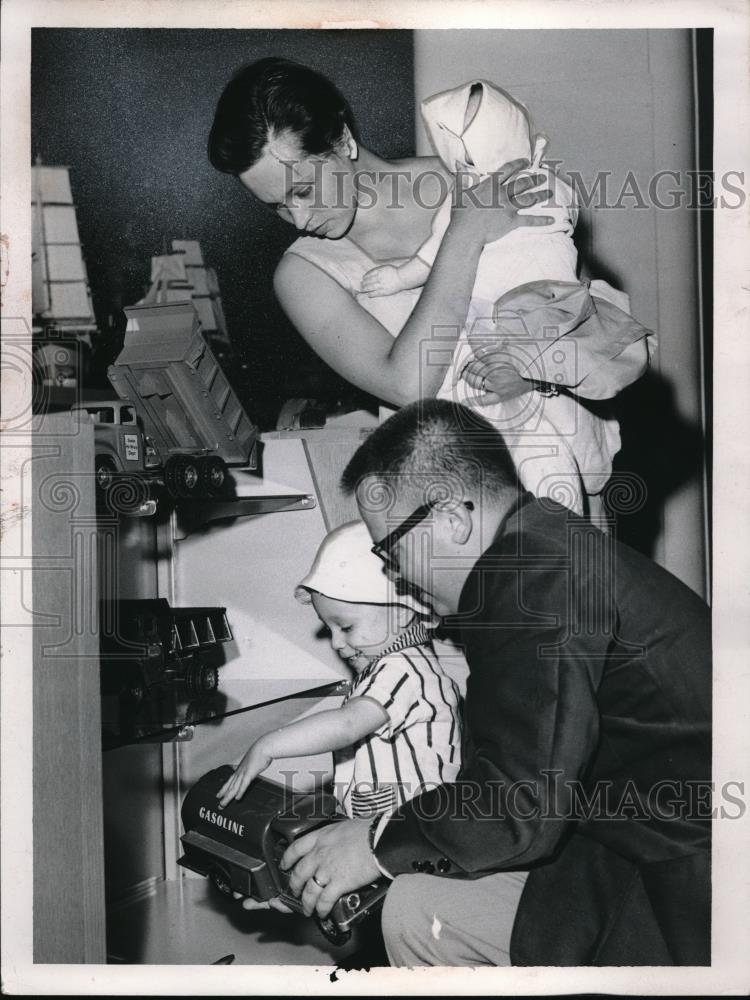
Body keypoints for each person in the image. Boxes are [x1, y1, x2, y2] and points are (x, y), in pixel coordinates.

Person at [274, 400, 711, 967]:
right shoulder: (542, 549)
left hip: (691, 876)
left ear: (452, 519)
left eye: (390, 550)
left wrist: (373, 846)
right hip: (642, 838)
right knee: (412, 903)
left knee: (414, 914)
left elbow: (521, 806)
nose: (395, 574)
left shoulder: (536, 584)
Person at [208, 59, 652, 520]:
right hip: (456, 509)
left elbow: (592, 328)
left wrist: (536, 369)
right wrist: (463, 233)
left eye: (302, 191)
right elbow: (411, 385)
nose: (299, 219)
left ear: (341, 139)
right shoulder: (303, 274)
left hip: (569, 480)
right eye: (277, 206)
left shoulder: (480, 177)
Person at [216, 520, 462, 821]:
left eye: (346, 626)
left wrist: (267, 745)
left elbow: (347, 725)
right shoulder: (388, 667)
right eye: (328, 627)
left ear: (402, 612)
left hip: (415, 834)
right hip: (388, 832)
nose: (335, 642)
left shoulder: (405, 670)